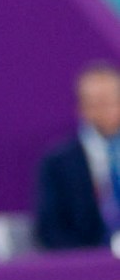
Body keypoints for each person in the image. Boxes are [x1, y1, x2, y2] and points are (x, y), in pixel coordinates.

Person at [35, 64, 120, 250]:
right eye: (98, 103)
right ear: (83, 107)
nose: (108, 110)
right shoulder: (59, 163)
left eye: (113, 101)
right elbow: (51, 230)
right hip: (92, 258)